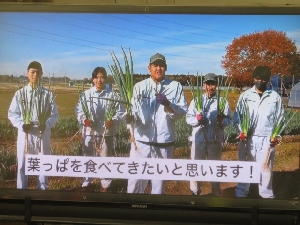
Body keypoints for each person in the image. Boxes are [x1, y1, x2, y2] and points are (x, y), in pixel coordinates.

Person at [126, 53, 187, 194]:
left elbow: (181, 112)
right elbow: (134, 110)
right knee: (135, 181)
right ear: (149, 68)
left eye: (162, 66)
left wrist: (168, 104)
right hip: (141, 143)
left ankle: (154, 212)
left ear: (166, 68)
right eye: (155, 65)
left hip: (163, 143)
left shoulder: (175, 86)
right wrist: (130, 119)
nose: (158, 68)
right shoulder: (140, 87)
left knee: (158, 185)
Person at [234, 65, 283, 199]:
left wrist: (276, 137)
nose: (259, 81)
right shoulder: (245, 96)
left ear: (267, 80)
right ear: (253, 78)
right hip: (247, 138)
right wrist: (241, 131)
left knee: (265, 168)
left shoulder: (274, 97)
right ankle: (241, 194)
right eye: (257, 78)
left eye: (263, 79)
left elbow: (280, 118)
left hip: (267, 139)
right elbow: (237, 117)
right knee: (245, 167)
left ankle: (266, 196)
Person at [8, 61, 59, 190]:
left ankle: (42, 192)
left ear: (41, 74)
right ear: (27, 73)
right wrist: (21, 124)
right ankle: (21, 192)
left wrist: (46, 124)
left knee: (43, 163)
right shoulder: (20, 94)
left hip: (42, 134)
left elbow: (54, 115)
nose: (35, 75)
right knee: (22, 163)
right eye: (32, 72)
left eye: (37, 72)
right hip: (25, 134)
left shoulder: (48, 95)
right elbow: (12, 113)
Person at [75, 67, 125, 192]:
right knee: (88, 159)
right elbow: (79, 111)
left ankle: (105, 185)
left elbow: (120, 112)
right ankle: (87, 183)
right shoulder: (85, 95)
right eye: (97, 77)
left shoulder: (113, 95)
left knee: (105, 159)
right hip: (89, 133)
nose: (99, 80)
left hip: (106, 133)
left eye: (102, 77)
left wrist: (113, 121)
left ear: (106, 79)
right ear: (93, 79)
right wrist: (85, 120)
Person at [186, 73, 231, 197]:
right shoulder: (196, 101)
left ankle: (216, 190)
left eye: (213, 84)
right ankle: (195, 191)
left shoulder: (222, 101)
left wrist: (222, 120)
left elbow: (229, 121)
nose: (210, 87)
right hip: (199, 139)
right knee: (196, 166)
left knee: (215, 167)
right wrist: (197, 119)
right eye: (208, 84)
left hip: (215, 139)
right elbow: (188, 119)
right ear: (203, 85)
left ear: (216, 86)